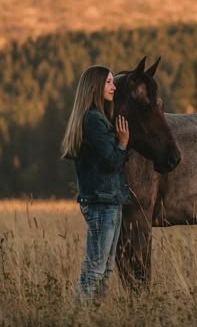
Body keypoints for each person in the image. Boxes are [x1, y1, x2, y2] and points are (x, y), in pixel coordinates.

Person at [60, 65, 130, 302]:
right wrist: (123, 142)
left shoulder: (96, 118)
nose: (114, 86)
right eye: (109, 82)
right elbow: (111, 161)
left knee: (105, 271)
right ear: (95, 86)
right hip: (102, 203)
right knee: (94, 271)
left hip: (109, 201)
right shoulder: (93, 120)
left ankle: (95, 318)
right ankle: (76, 317)